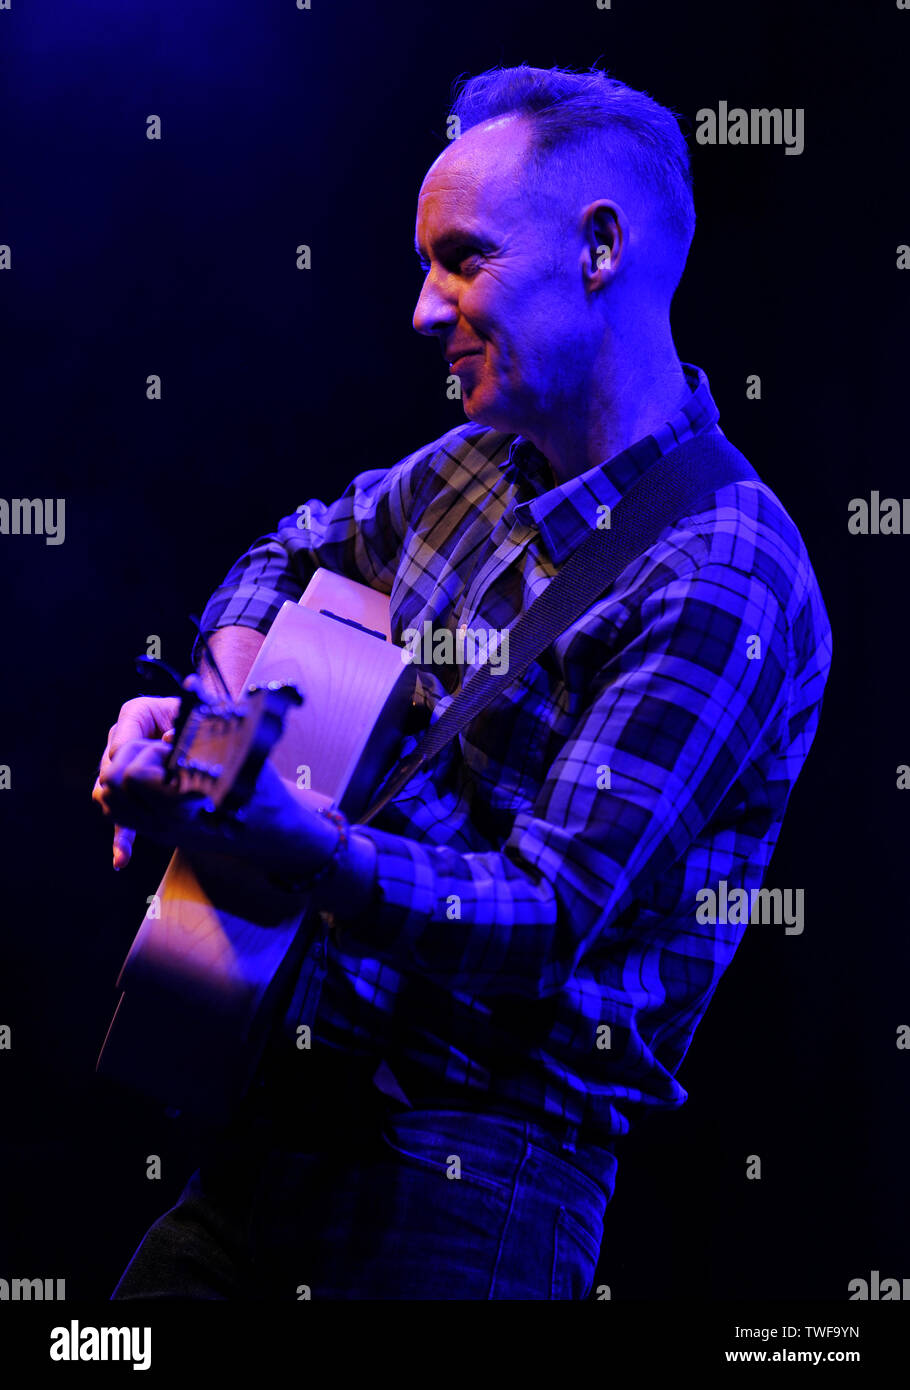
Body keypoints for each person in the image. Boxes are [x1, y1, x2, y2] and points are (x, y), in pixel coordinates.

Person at [93, 63, 833, 1300]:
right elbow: (286, 551)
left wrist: (305, 843)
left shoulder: (726, 571)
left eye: (462, 260)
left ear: (599, 248)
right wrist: (214, 734)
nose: (425, 312)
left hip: (474, 1175)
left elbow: (548, 914)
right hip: (274, 1116)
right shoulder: (469, 467)